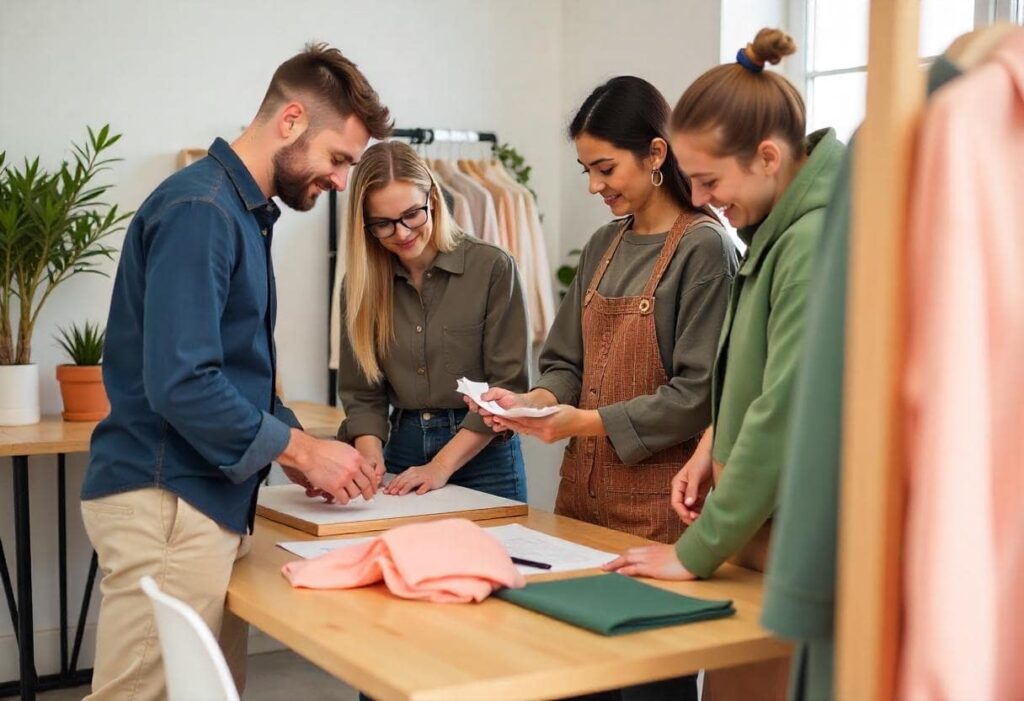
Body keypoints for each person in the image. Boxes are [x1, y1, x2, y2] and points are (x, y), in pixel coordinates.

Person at [80, 43, 392, 700]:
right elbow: (183, 381)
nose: (341, 181)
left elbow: (237, 373)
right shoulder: (204, 213)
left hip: (194, 503)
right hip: (169, 503)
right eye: (338, 158)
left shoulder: (236, 212)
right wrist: (301, 446)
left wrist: (304, 454)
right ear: (291, 121)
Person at [468, 76, 738, 701]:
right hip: (581, 506)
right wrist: (535, 402)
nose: (594, 186)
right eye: (587, 169)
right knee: (573, 675)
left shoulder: (705, 249)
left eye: (605, 167)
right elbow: (565, 361)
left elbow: (698, 395)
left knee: (650, 686)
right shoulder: (603, 244)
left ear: (656, 153)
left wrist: (581, 424)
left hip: (659, 514)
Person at [602, 28, 846, 701]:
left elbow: (785, 409)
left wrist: (694, 549)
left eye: (710, 180)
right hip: (761, 528)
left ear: (767, 156)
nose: (704, 198)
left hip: (795, 538)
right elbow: (757, 371)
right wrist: (713, 442)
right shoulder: (778, 228)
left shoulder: (812, 237)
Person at [336, 140, 530, 501]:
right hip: (403, 447)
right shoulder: (359, 286)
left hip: (484, 454)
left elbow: (507, 387)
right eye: (384, 224)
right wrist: (369, 455)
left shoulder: (492, 268)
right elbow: (363, 394)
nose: (403, 233)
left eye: (413, 214)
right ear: (365, 226)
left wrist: (441, 466)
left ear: (434, 200)